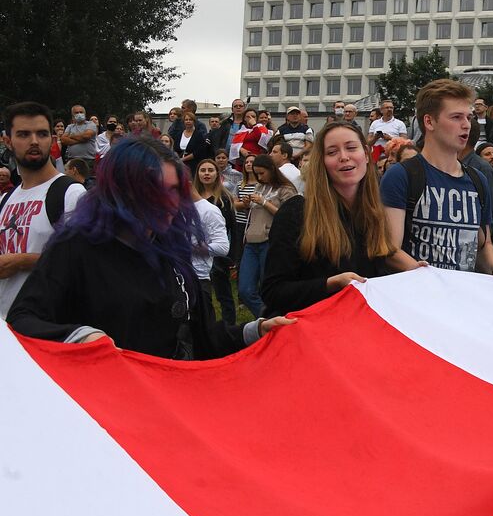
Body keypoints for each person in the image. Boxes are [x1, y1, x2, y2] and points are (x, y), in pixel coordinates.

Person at [7, 136, 292, 357]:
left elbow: (203, 339)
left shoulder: (171, 251)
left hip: (160, 407)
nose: (169, 202)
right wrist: (81, 337)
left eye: (174, 191)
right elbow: (23, 320)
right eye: (154, 190)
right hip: (99, 412)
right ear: (121, 190)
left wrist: (256, 330)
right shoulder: (75, 248)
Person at [261, 122, 408, 316]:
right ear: (322, 162)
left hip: (358, 333)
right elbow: (273, 292)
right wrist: (330, 284)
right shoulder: (296, 212)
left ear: (365, 153)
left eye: (351, 147)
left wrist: (421, 272)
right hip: (311, 334)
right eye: (332, 152)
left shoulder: (374, 215)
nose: (344, 157)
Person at [380, 79, 493, 277]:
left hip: (464, 297)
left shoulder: (478, 180)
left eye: (468, 117)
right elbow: (390, 250)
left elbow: (483, 245)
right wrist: (433, 279)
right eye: (456, 117)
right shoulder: (401, 175)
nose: (466, 125)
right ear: (429, 122)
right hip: (416, 298)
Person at [0, 102, 86, 317]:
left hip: (46, 327)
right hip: (6, 330)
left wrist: (22, 261)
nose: (34, 141)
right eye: (23, 134)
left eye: (42, 134)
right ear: (8, 142)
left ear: (52, 139)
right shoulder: (5, 199)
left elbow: (87, 263)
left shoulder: (71, 194)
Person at [236, 154, 297, 316]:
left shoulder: (286, 189)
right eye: (256, 174)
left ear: (272, 170)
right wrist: (247, 203)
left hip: (270, 242)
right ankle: (268, 317)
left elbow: (289, 216)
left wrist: (264, 202)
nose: (259, 177)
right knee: (245, 290)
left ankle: (272, 321)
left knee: (268, 288)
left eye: (262, 173)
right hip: (251, 241)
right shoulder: (258, 187)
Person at [192, 158, 237, 322]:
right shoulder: (192, 198)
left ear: (217, 174)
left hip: (218, 253)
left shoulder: (224, 198)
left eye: (210, 170)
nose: (206, 174)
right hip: (197, 258)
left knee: (223, 294)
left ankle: (229, 326)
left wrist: (233, 255)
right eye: (202, 170)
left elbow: (232, 227)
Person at [60, 104, 97, 168]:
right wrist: (82, 140)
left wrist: (72, 136)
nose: (79, 114)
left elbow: (87, 136)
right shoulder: (70, 126)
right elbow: (63, 140)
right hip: (72, 160)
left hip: (88, 160)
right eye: (76, 113)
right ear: (73, 116)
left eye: (81, 112)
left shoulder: (91, 124)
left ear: (85, 114)